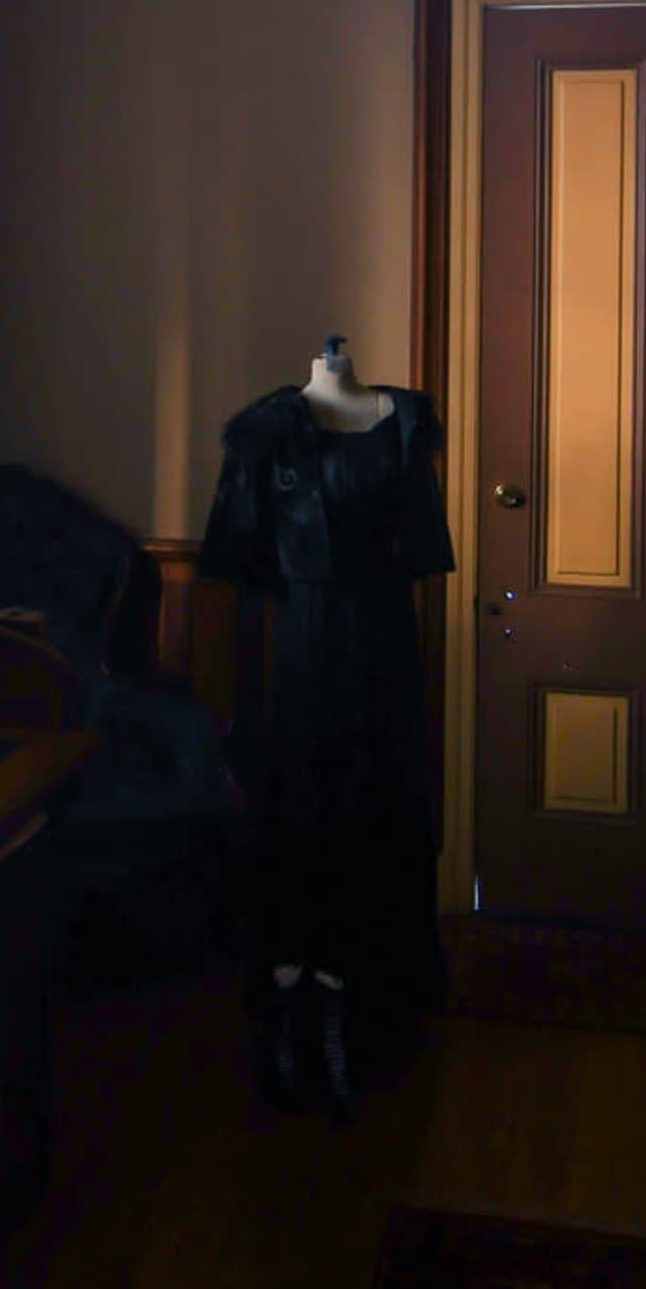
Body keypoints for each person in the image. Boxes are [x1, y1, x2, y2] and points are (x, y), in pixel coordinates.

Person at [199, 337, 453, 1119]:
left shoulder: (403, 423)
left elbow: (419, 551)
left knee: (381, 814)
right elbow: (237, 563)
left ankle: (369, 1013)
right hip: (302, 653)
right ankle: (290, 1017)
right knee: (302, 822)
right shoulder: (264, 432)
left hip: (387, 652)